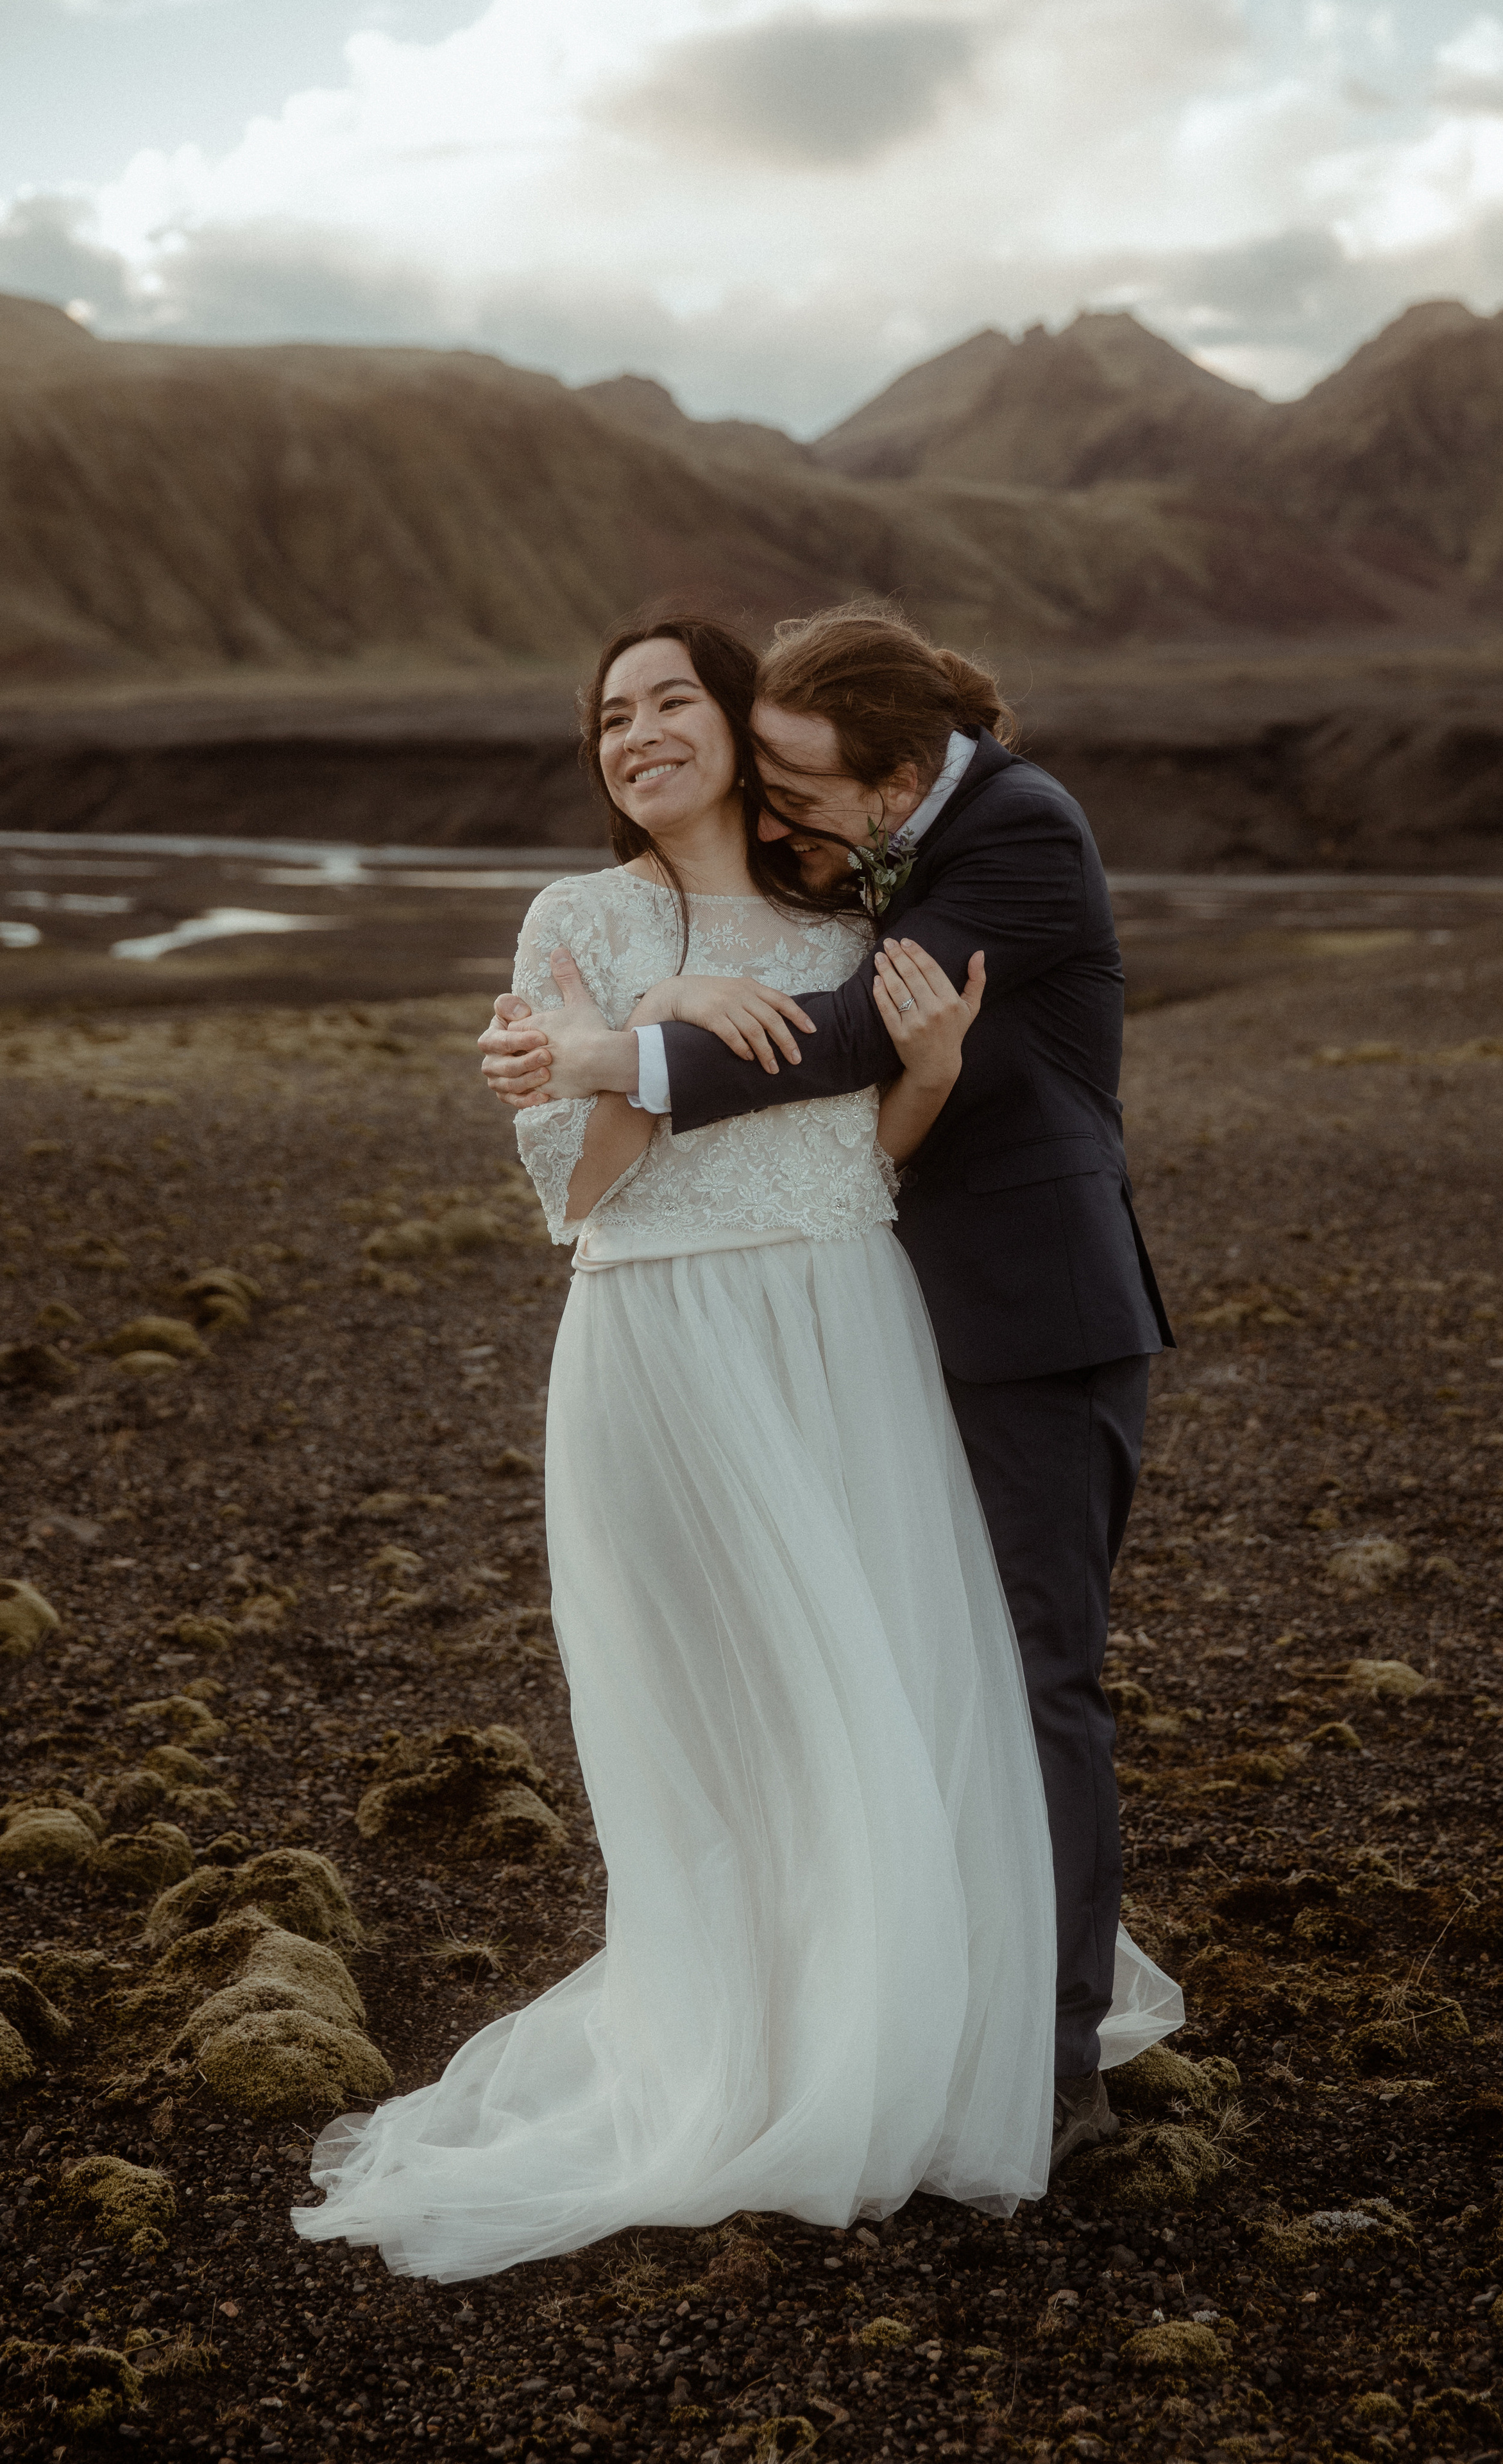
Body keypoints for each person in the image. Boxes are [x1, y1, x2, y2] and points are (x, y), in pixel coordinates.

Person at [294, 615, 1178, 2284]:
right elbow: (574, 1189)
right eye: (609, 716)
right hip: (662, 1342)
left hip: (854, 1333)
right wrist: (649, 1010)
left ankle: (951, 2045)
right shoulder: (575, 920)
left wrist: (926, 1068)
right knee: (715, 1711)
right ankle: (750, 2055)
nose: (638, 734)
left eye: (673, 702)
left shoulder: (856, 912)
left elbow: (864, 1143)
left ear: (748, 732)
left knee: (902, 1684)